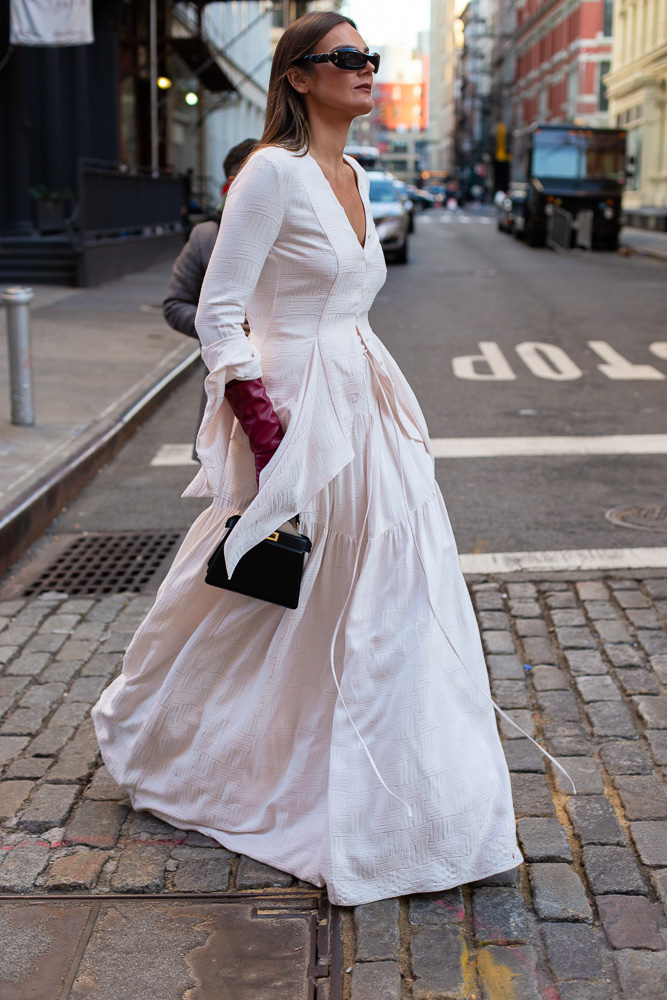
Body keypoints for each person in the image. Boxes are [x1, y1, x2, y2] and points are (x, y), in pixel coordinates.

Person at [93, 11, 541, 908]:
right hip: (296, 409)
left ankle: (401, 791)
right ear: (298, 76)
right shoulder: (271, 173)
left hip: (364, 401)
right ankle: (185, 740)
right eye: (348, 58)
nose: (367, 70)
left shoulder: (355, 174)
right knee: (276, 587)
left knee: (381, 594)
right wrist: (264, 432)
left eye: (371, 58)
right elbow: (221, 313)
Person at [163, 140, 258, 451]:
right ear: (231, 183)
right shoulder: (206, 236)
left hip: (291, 378)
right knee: (229, 487)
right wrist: (222, 324)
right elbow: (175, 305)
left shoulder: (296, 232)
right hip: (230, 388)